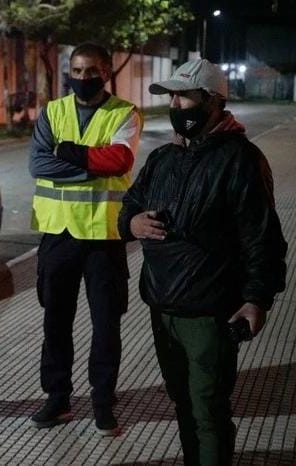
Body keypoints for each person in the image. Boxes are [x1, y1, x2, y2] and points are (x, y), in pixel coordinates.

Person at [118, 58, 287, 465]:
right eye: (171, 97)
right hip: (162, 309)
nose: (175, 105)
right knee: (182, 404)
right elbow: (131, 206)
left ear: (212, 102)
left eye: (184, 96)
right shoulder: (164, 159)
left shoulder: (241, 159)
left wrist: (256, 299)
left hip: (210, 314)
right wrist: (132, 224)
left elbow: (261, 237)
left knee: (208, 409)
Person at [28, 43, 142, 435]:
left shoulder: (124, 113)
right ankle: (57, 399)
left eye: (90, 70)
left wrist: (68, 155)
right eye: (76, 70)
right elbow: (37, 163)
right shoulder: (52, 111)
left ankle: (103, 402)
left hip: (103, 236)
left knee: (105, 325)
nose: (81, 77)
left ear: (107, 71)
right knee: (55, 322)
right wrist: (91, 165)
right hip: (58, 234)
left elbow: (120, 161)